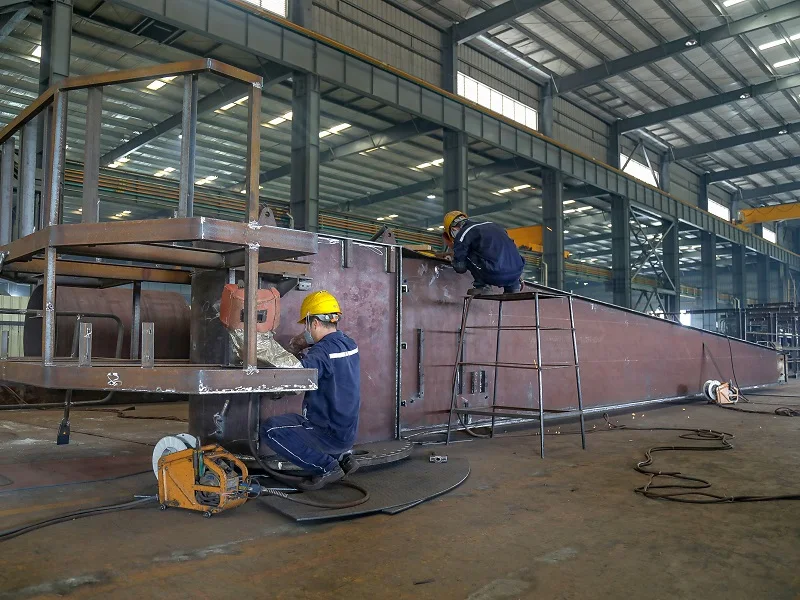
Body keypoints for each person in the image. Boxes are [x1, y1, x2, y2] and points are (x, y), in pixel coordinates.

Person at [259, 291, 360, 490]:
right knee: (295, 421)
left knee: (270, 429)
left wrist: (291, 350)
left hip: (327, 432)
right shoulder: (349, 343)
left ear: (313, 323)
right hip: (346, 432)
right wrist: (305, 343)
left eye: (306, 326)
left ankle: (327, 467)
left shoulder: (320, 353)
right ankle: (342, 457)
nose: (305, 330)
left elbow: (296, 378)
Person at [443, 210, 525, 295]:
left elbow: (460, 268)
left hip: (495, 275)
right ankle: (513, 287)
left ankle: (483, 286)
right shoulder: (494, 225)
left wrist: (455, 259)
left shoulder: (464, 233)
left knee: (464, 255)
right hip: (517, 274)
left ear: (453, 229)